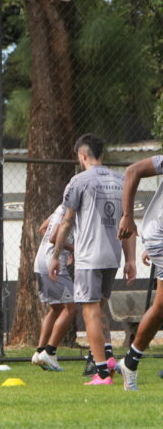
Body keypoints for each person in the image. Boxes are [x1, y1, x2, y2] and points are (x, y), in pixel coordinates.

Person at [48, 134, 135, 385]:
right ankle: (108, 357)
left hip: (88, 256)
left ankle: (101, 373)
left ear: (81, 156)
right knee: (99, 309)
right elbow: (127, 224)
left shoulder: (78, 181)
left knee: (90, 313)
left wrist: (56, 256)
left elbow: (66, 222)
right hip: (113, 256)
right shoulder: (122, 180)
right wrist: (130, 260)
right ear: (103, 156)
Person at [116, 155, 163, 390]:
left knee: (161, 305)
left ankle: (130, 362)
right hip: (160, 235)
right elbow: (132, 170)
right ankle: (130, 362)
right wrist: (127, 216)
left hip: (157, 236)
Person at [32, 204, 76, 371]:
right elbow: (53, 237)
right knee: (71, 308)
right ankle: (50, 352)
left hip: (40, 262)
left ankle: (39, 351)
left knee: (56, 308)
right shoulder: (73, 209)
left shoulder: (61, 207)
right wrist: (75, 249)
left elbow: (43, 229)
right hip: (53, 264)